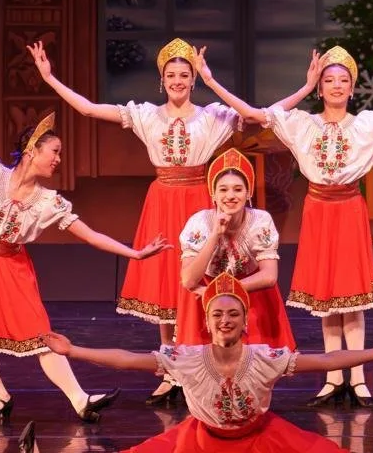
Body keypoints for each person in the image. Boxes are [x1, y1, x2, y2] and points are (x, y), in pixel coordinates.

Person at [197, 43, 373, 407]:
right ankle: (333, 378)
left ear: (352, 87)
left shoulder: (366, 124)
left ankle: (357, 378)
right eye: (328, 80)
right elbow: (251, 113)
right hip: (318, 210)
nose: (336, 86)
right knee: (326, 299)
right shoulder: (302, 124)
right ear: (319, 87)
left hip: (348, 210)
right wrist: (209, 80)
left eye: (343, 79)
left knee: (352, 298)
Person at [8, 273, 373, 453]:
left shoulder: (266, 357)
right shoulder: (185, 358)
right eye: (218, 314)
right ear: (207, 322)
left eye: (233, 314)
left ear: (245, 322)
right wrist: (74, 350)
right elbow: (127, 360)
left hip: (262, 436)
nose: (225, 320)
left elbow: (326, 360)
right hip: (201, 439)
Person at [0, 82, 169, 425]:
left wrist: (135, 253)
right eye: (54, 151)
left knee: (41, 334)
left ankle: (80, 399)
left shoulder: (48, 202)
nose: (59, 159)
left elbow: (91, 235)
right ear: (31, 151)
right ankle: (0, 396)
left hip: (12, 264)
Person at [30, 38, 238, 407]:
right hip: (163, 200)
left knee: (199, 281)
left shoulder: (212, 117)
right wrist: (49, 79)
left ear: (193, 80)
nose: (177, 81)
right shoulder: (147, 115)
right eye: (171, 75)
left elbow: (258, 115)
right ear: (162, 79)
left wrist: (214, 81)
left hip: (197, 200)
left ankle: (203, 364)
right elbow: (90, 109)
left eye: (184, 75)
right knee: (165, 282)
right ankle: (170, 368)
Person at [175, 148, 295, 349]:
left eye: (238, 189)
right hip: (204, 295)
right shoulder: (199, 222)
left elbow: (269, 276)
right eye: (223, 190)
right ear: (213, 194)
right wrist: (215, 234)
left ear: (248, 193)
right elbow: (188, 280)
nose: (230, 196)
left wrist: (220, 291)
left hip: (250, 291)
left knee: (254, 360)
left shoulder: (260, 220)